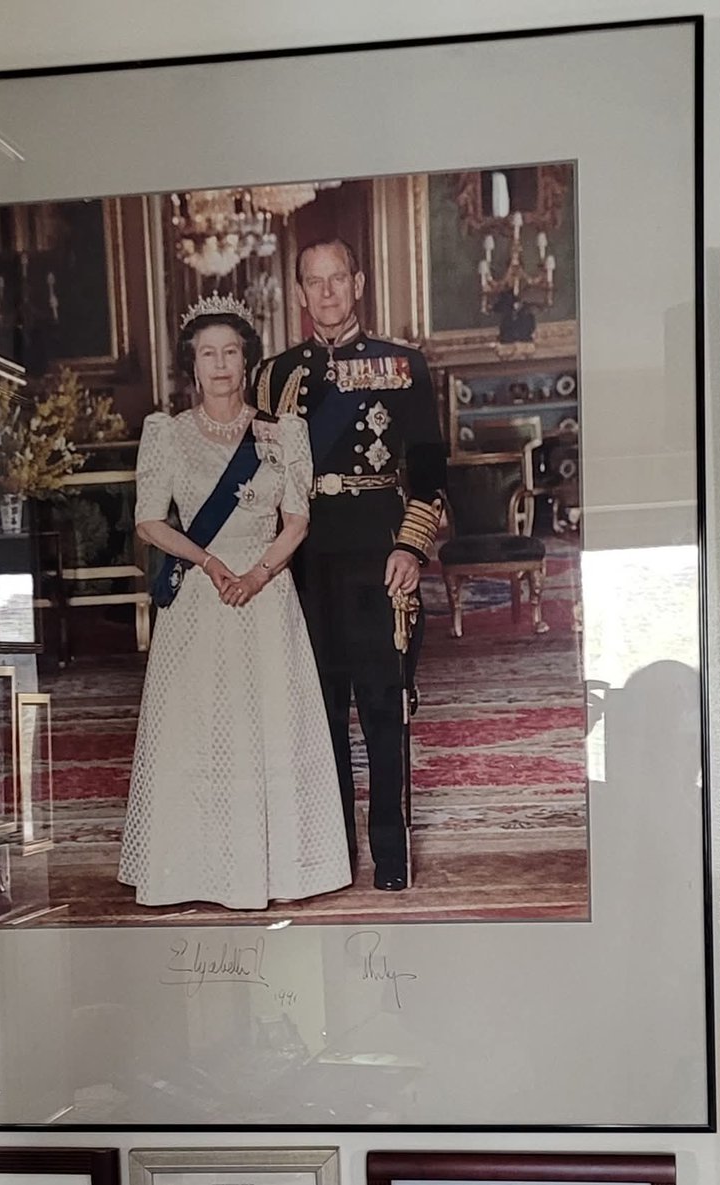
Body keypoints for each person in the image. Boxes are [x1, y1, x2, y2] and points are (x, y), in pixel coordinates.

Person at [117, 293, 352, 910]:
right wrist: (211, 563)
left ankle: (279, 870)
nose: (220, 366)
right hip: (200, 601)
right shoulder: (165, 433)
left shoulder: (282, 432)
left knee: (268, 723)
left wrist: (257, 573)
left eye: (230, 353)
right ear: (191, 366)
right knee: (200, 729)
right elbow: (148, 522)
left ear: (246, 362)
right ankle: (195, 869)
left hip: (266, 598)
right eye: (207, 354)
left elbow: (296, 520)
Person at [255, 238, 447, 891]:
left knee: (381, 708)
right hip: (301, 559)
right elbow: (261, 478)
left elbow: (426, 469)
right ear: (301, 293)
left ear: (357, 283)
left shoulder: (402, 365)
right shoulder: (273, 375)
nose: (328, 292)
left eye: (338, 279)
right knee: (319, 712)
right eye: (315, 282)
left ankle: (390, 854)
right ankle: (333, 853)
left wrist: (410, 546)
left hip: (375, 552)